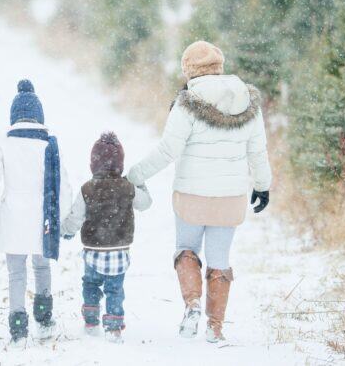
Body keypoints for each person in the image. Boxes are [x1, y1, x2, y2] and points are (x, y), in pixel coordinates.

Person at [126, 41, 272, 344]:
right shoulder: (247, 100)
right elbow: (258, 150)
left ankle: (192, 305)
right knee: (220, 259)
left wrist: (135, 176)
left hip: (191, 194)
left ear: (189, 70)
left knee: (186, 249)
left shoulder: (187, 102)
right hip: (230, 198)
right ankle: (215, 327)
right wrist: (262, 185)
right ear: (220, 66)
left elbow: (168, 150)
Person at [0, 80, 72, 346]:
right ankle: (43, 321)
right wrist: (66, 221)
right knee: (42, 267)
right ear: (39, 116)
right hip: (42, 220)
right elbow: (62, 185)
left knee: (16, 272)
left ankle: (18, 328)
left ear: (14, 117)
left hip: (13, 221)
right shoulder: (49, 145)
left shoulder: (5, 144)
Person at [62, 132, 152, 344]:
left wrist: (67, 231)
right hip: (119, 251)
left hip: (94, 249)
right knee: (115, 288)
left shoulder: (87, 188)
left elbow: (76, 216)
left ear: (93, 163)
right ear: (120, 163)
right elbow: (145, 203)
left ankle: (91, 320)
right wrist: (140, 183)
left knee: (90, 283)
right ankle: (113, 327)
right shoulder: (127, 187)